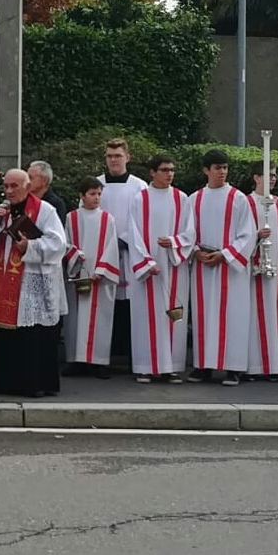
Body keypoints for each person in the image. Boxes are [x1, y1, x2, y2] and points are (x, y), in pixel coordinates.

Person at [0, 168, 67, 397]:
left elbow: (58, 243)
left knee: (32, 334)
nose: (9, 191)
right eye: (6, 186)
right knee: (4, 337)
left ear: (28, 187)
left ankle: (34, 384)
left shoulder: (45, 211)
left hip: (31, 284)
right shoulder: (0, 211)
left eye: (14, 186)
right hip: (3, 284)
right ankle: (3, 383)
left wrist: (30, 247)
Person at [187, 150, 255, 386]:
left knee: (233, 317)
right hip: (203, 267)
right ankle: (203, 365)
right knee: (203, 316)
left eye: (225, 167)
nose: (223, 172)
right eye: (217, 168)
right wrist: (195, 250)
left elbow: (248, 235)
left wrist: (225, 254)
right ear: (206, 170)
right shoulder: (194, 199)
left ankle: (233, 368)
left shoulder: (238, 198)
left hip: (229, 268)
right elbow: (187, 232)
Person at [126, 154, 194, 383]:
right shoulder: (139, 199)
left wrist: (174, 242)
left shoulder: (181, 198)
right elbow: (132, 233)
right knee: (145, 316)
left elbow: (190, 233)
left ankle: (171, 367)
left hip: (174, 266)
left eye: (172, 170)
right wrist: (146, 262)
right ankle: (145, 366)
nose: (169, 174)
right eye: (164, 170)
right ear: (152, 172)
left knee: (172, 315)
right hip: (147, 270)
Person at [62, 177, 120, 378]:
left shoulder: (108, 219)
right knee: (75, 319)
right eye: (92, 194)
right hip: (78, 275)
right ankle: (75, 360)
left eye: (99, 194)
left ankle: (99, 361)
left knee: (101, 318)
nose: (96, 198)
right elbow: (65, 244)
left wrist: (102, 270)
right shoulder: (71, 218)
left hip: (100, 278)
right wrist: (76, 256)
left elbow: (112, 247)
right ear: (81, 195)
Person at [97, 139, 148, 359]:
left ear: (127, 157)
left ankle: (130, 355)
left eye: (117, 155)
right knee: (105, 303)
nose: (113, 160)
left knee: (129, 302)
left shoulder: (139, 186)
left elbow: (144, 218)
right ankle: (104, 354)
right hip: (103, 252)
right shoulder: (96, 184)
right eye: (109, 156)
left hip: (130, 252)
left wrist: (125, 240)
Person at [246, 161, 278, 381]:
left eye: (275, 175)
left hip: (274, 269)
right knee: (251, 317)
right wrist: (256, 236)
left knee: (273, 315)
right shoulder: (245, 202)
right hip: (251, 269)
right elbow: (240, 234)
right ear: (256, 178)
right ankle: (251, 367)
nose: (273, 179)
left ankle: (273, 366)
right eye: (268, 175)